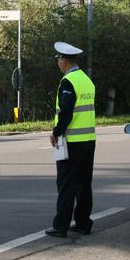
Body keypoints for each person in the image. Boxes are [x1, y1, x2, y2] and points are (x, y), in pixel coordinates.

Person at [46, 42, 96, 238]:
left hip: (71, 141)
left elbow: (66, 111)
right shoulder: (86, 80)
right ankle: (83, 222)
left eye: (58, 59)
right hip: (88, 140)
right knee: (84, 183)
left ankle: (61, 226)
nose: (58, 62)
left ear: (64, 60)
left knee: (66, 183)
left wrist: (56, 132)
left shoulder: (68, 82)